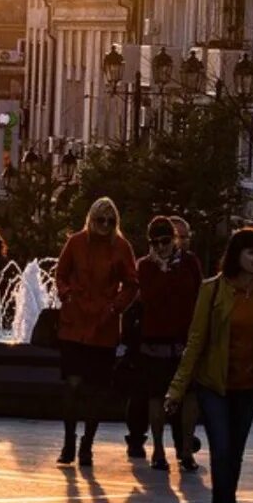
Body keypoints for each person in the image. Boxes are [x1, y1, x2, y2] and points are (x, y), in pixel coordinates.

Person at [165, 227, 253, 503]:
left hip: (247, 388)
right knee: (221, 452)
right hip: (213, 385)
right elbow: (195, 340)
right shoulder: (213, 290)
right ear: (237, 256)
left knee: (234, 457)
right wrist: (177, 388)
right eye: (252, 252)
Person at [54, 197, 140, 467]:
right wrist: (66, 294)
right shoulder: (76, 242)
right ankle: (69, 439)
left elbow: (132, 283)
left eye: (110, 221)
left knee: (96, 390)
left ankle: (87, 444)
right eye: (100, 220)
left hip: (103, 325)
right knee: (72, 385)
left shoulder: (121, 246)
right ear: (90, 219)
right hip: (74, 323)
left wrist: (116, 308)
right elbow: (61, 273)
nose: (105, 225)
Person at [135, 216, 204, 472]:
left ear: (174, 239)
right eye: (155, 242)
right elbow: (149, 298)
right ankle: (159, 449)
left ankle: (186, 450)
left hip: (184, 341)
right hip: (154, 341)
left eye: (165, 241)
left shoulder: (189, 262)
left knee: (189, 397)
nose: (161, 247)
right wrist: (162, 270)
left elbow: (197, 293)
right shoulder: (145, 266)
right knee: (156, 397)